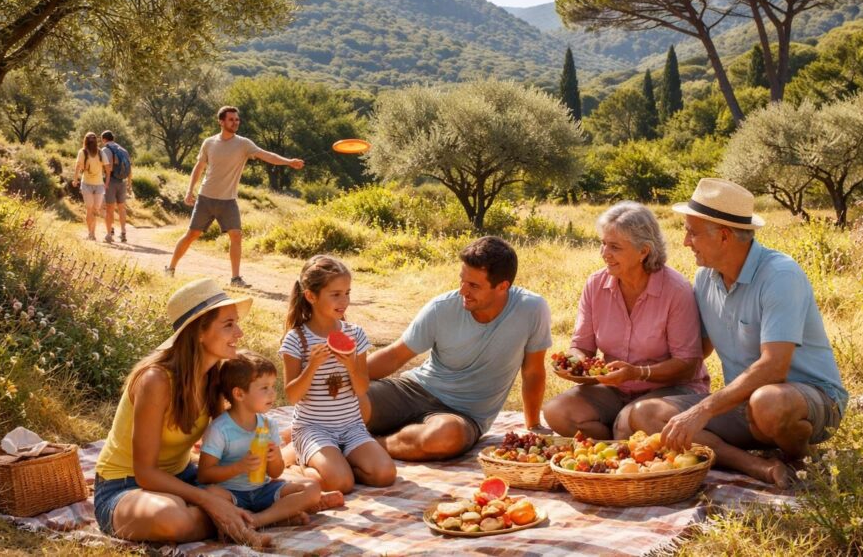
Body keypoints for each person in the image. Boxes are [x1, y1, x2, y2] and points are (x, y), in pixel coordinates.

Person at [627, 178, 847, 488]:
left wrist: (703, 409)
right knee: (646, 414)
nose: (686, 241)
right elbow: (697, 351)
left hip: (807, 399)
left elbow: (774, 366)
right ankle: (759, 467)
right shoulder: (705, 277)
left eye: (692, 231)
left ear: (725, 236)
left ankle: (801, 460)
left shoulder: (780, 275)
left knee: (768, 402)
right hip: (744, 404)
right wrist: (635, 364)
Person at [93, 278, 268, 547]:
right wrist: (208, 499)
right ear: (199, 332)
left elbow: (225, 437)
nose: (240, 333)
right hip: (124, 487)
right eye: (228, 324)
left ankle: (231, 516)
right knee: (172, 517)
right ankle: (240, 519)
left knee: (250, 490)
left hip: (183, 477)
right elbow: (145, 473)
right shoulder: (156, 381)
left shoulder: (213, 378)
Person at [366, 236, 552, 461]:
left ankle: (368, 446)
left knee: (443, 438)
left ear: (503, 286)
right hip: (413, 391)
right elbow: (395, 355)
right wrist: (341, 378)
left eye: (474, 285)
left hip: (462, 416)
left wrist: (533, 425)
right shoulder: (441, 308)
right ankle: (363, 439)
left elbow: (532, 371)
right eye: (462, 280)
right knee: (346, 402)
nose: (463, 291)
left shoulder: (531, 309)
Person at [542, 201, 709, 440]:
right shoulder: (596, 285)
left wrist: (637, 373)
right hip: (616, 389)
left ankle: (624, 432)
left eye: (615, 247)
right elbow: (582, 345)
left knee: (629, 426)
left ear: (644, 251)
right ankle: (622, 437)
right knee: (556, 412)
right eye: (603, 244)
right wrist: (574, 362)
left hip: (670, 390)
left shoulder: (675, 290)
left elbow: (688, 364)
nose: (604, 253)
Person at [279, 255, 396, 492]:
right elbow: (292, 396)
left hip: (351, 426)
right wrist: (311, 366)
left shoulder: (356, 334)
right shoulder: (297, 339)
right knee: (341, 484)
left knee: (386, 475)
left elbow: (362, 388)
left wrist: (351, 365)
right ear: (311, 296)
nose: (344, 301)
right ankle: (295, 466)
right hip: (313, 428)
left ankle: (336, 464)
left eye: (347, 293)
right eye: (335, 294)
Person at [197, 351, 344, 526]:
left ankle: (257, 520)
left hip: (263, 490)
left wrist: (274, 459)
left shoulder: (268, 425)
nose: (273, 394)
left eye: (273, 387)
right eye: (264, 388)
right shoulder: (220, 429)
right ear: (239, 394)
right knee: (210, 495)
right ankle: (277, 517)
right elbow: (204, 475)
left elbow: (276, 473)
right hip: (230, 493)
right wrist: (238, 467)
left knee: (311, 488)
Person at [166, 106, 304, 288]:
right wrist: (189, 190)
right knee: (192, 234)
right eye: (231, 119)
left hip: (228, 200)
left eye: (237, 119)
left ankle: (235, 279)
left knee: (236, 235)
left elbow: (266, 155)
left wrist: (288, 162)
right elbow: (199, 167)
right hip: (206, 197)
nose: (235, 122)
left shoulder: (244, 144)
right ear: (221, 122)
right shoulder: (209, 143)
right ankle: (170, 268)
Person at [72, 132, 110, 241]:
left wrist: (106, 183)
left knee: (95, 209)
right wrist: (75, 179)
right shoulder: (82, 152)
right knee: (89, 208)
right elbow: (78, 167)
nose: (91, 139)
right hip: (86, 184)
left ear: (96, 140)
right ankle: (91, 234)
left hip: (99, 185)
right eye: (89, 138)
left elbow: (108, 170)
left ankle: (92, 232)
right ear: (86, 140)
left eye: (94, 137)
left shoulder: (101, 153)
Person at [100, 130, 132, 244]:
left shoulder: (105, 150)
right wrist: (129, 184)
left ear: (104, 139)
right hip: (122, 181)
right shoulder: (123, 150)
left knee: (109, 208)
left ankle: (110, 233)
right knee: (122, 208)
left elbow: (106, 168)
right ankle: (123, 233)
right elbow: (130, 168)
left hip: (111, 181)